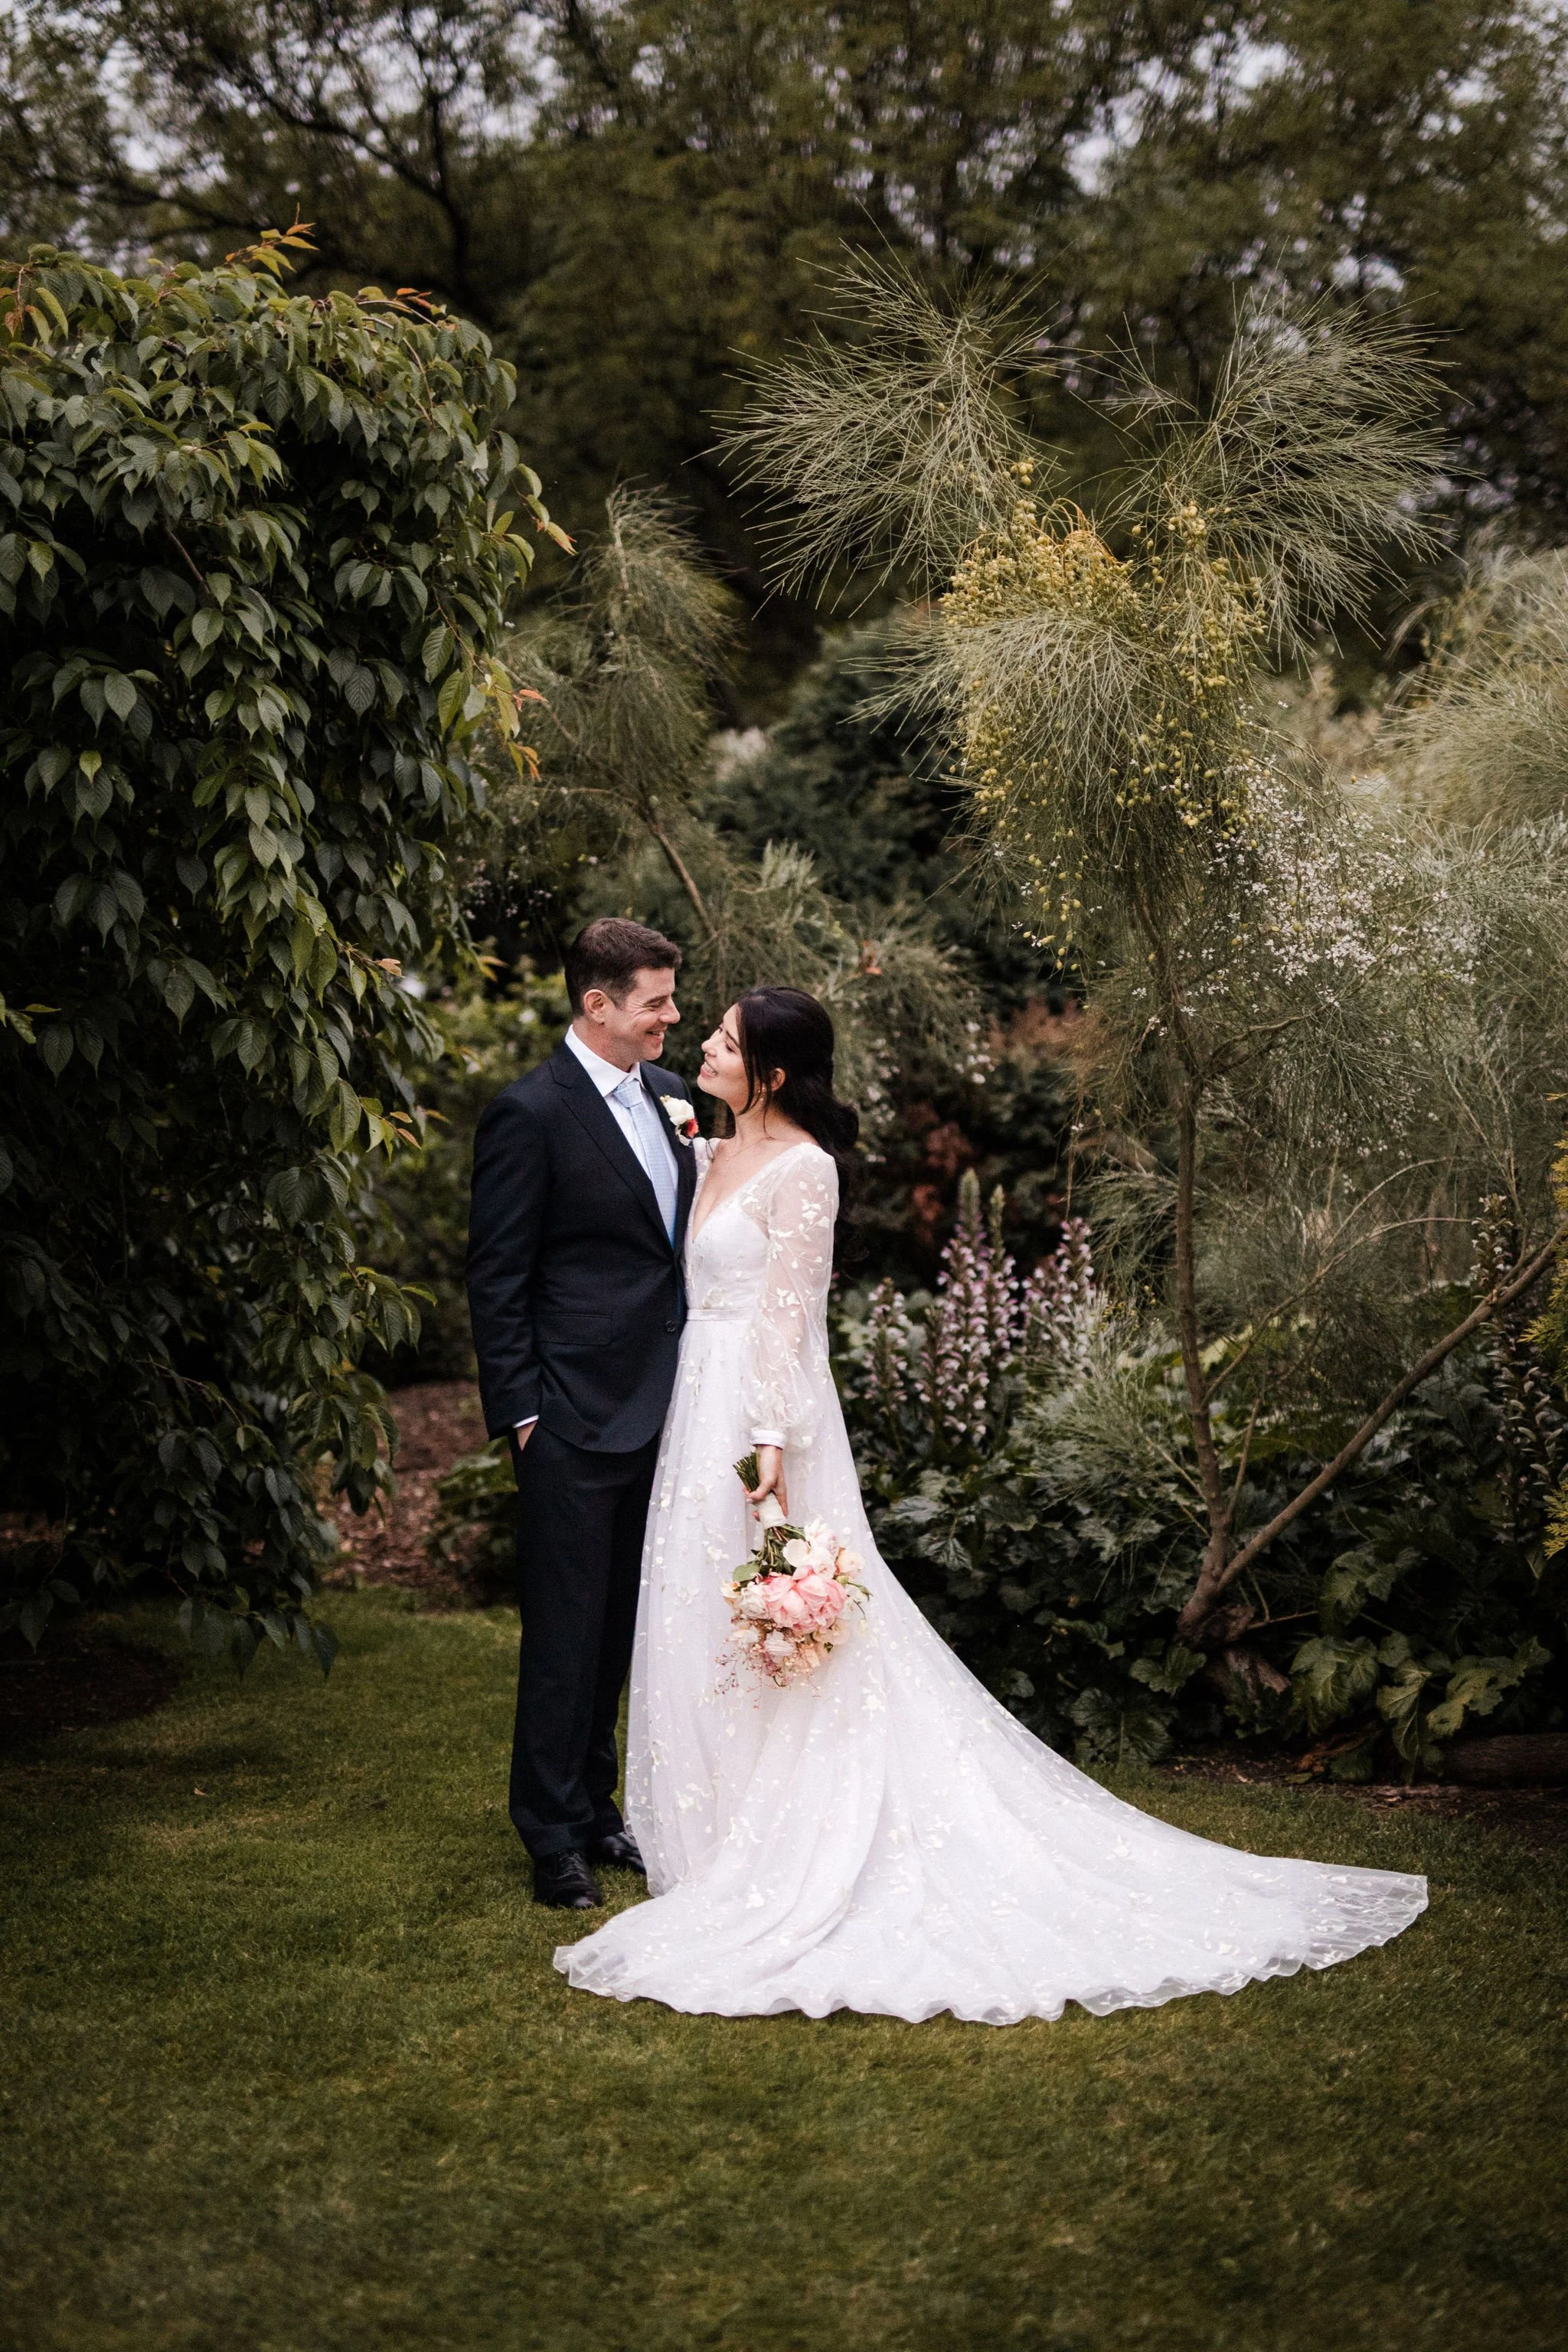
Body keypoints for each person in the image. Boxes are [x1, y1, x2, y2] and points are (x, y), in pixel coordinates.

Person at [554, 985, 1428, 2024]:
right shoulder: (708, 1146)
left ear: (774, 1072)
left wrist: (770, 1464)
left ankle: (791, 1837)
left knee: (782, 1616)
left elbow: (788, 1330)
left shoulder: (806, 1172)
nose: (703, 1043)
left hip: (757, 1419)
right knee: (704, 1611)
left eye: (727, 1042)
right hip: (696, 1402)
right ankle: (717, 1832)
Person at [466, 917, 697, 1911]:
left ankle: (602, 1811)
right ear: (596, 1005)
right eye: (655, 1001)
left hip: (670, 1413)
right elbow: (496, 1275)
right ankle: (551, 1833)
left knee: (624, 1636)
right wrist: (524, 1414)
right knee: (564, 1638)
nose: (672, 1017)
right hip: (569, 1417)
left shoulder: (678, 1099)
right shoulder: (531, 1113)